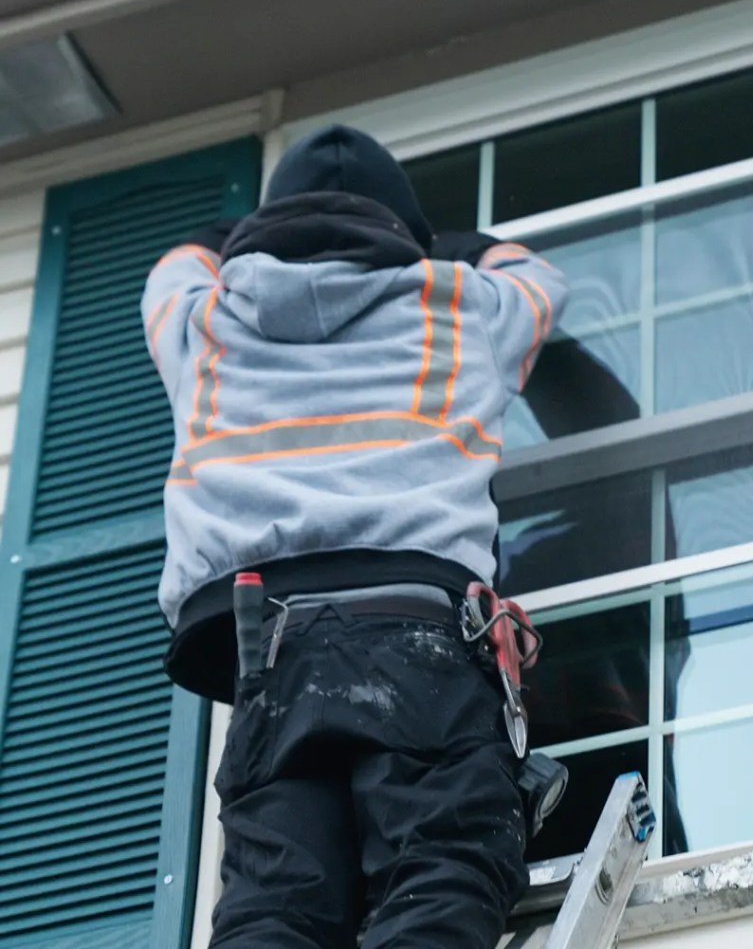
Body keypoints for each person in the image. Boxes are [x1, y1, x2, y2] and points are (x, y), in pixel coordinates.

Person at [140, 124, 568, 949]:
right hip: (415, 633)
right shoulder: (459, 305)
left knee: (276, 900)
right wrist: (437, 246)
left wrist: (251, 239)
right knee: (441, 865)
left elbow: (172, 268)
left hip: (266, 645)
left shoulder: (205, 323)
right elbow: (536, 278)